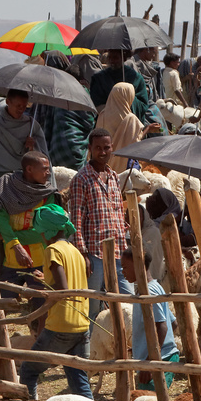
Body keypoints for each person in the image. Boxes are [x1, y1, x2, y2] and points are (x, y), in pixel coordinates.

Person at [15, 205, 93, 400]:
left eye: (41, 232)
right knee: (78, 379)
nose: (40, 236)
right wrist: (45, 281)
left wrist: (33, 291)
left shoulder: (52, 250)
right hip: (82, 324)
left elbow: (62, 289)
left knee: (28, 370)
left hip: (61, 324)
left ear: (47, 230)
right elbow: (66, 282)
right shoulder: (74, 251)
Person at [68, 129, 129, 304]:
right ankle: (91, 332)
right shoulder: (81, 179)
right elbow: (76, 218)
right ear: (90, 149)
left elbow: (116, 210)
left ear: (112, 148)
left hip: (118, 248)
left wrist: (123, 225)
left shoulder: (114, 177)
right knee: (92, 304)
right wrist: (83, 254)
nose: (102, 152)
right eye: (98, 148)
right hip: (94, 252)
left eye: (106, 148)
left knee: (126, 300)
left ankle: (122, 332)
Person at [0, 151, 60, 285]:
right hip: (11, 263)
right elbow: (0, 218)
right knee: (6, 302)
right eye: (44, 169)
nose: (49, 173)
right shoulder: (8, 187)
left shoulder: (47, 194)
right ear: (29, 169)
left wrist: (7, 237)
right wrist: (16, 247)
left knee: (40, 303)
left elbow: (43, 232)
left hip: (40, 262)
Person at [119, 246, 178, 391]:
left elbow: (162, 327)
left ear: (138, 265)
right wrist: (141, 345)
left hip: (159, 359)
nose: (123, 271)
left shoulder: (149, 292)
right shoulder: (154, 287)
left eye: (125, 267)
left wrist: (151, 361)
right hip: (157, 357)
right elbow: (173, 323)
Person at [0, 88, 47, 193]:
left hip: (24, 187)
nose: (21, 110)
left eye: (24, 106)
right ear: (7, 102)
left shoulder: (32, 127)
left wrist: (32, 149)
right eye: (18, 106)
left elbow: (41, 163)